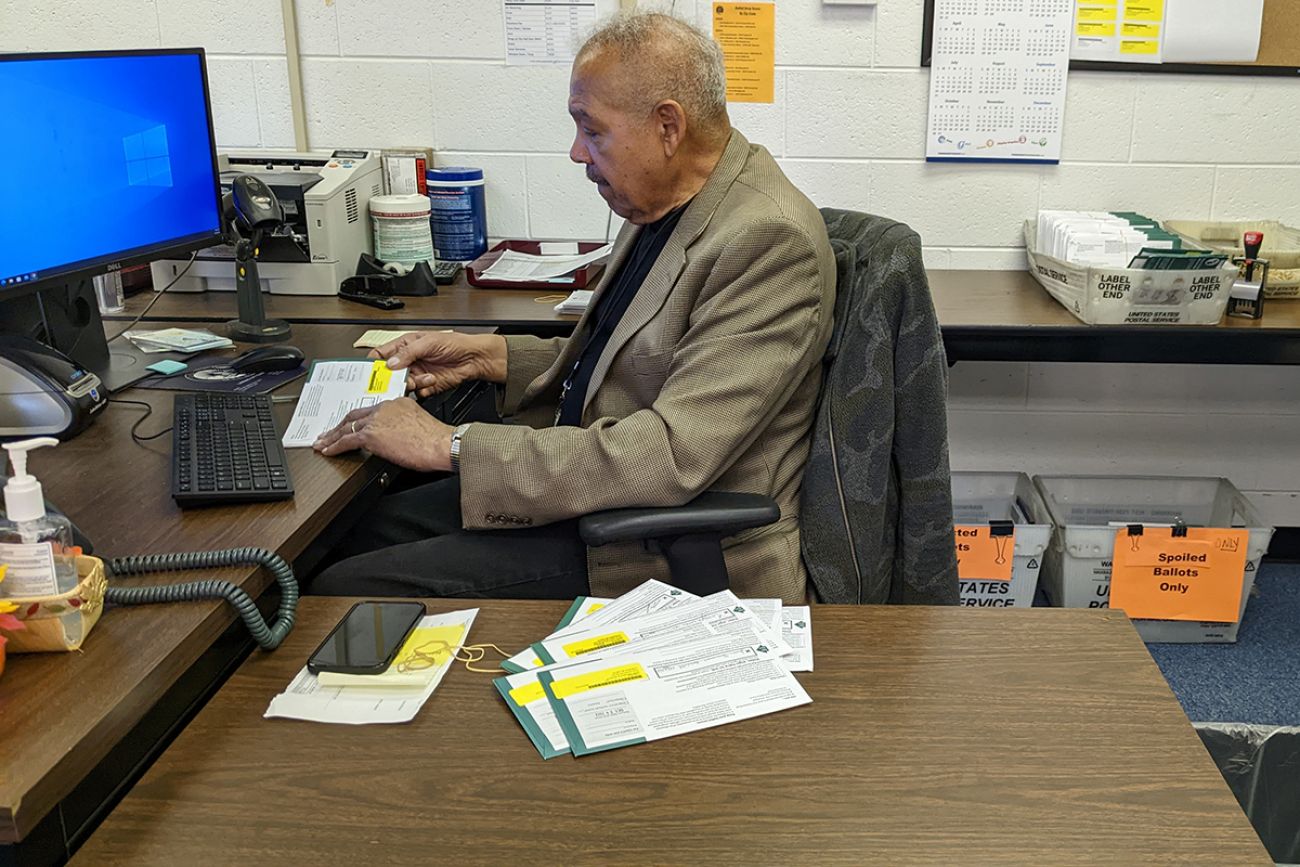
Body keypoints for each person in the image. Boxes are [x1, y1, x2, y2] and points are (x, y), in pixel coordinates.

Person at [311, 12, 836, 602]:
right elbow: (639, 357)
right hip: (589, 491)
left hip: (645, 542)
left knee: (341, 588)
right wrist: (493, 357)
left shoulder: (766, 240)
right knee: (355, 533)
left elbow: (671, 455)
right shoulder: (669, 201)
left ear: (668, 126)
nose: (576, 153)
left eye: (593, 131)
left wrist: (447, 445)